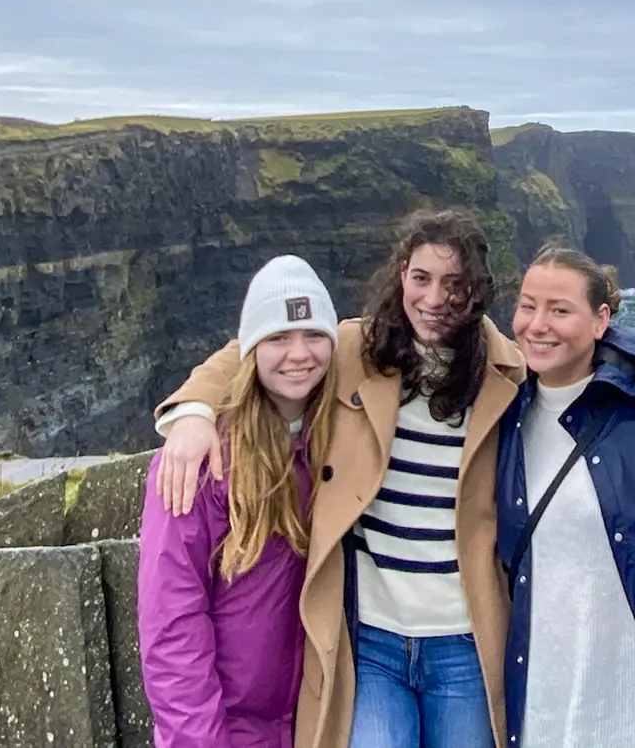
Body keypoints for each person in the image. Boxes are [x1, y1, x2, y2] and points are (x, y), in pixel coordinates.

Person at [148, 209, 526, 748]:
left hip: (463, 638)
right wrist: (192, 411)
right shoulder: (357, 349)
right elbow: (252, 346)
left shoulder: (507, 375)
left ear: (479, 289)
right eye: (421, 278)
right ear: (401, 275)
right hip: (370, 640)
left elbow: (571, 367)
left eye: (455, 283)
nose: (435, 298)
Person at [495, 246, 635, 748]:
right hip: (541, 691)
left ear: (601, 320)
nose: (538, 325)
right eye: (527, 306)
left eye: (560, 310)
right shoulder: (503, 415)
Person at [138, 254, 341, 748]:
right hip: (225, 727)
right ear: (252, 348)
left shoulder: (339, 440)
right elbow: (172, 622)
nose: (299, 354)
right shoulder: (199, 463)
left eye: (314, 335)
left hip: (318, 723)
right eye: (278, 338)